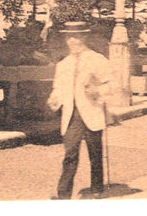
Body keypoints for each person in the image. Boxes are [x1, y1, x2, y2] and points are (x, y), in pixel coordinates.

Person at [47, 22, 113, 200]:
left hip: (91, 112)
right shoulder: (63, 64)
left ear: (84, 37)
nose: (72, 41)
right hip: (71, 115)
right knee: (70, 154)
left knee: (95, 152)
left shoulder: (97, 59)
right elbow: (58, 88)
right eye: (68, 37)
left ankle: (97, 187)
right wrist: (54, 98)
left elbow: (110, 84)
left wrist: (97, 91)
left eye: (75, 37)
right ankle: (63, 194)